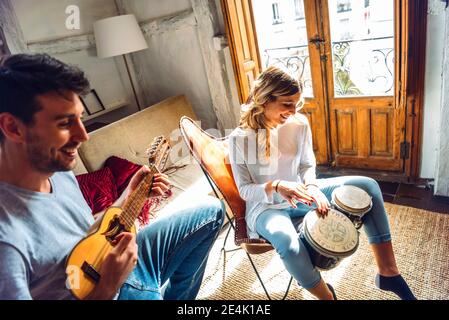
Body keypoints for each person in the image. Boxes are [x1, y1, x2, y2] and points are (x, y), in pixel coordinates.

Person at [0, 53, 224, 300]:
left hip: (117, 268)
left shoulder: (58, 171)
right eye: (65, 123)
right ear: (13, 127)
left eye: (80, 119)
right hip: (108, 290)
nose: (84, 136)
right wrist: (106, 288)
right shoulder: (7, 241)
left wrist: (127, 197)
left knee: (212, 211)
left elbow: (85, 232)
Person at [228, 66, 416, 300]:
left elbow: (307, 165)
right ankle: (327, 297)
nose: (293, 110)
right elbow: (245, 190)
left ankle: (389, 273)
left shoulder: (299, 123)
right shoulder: (239, 138)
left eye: (296, 103)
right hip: (266, 207)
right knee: (289, 245)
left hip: (302, 193)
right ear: (265, 99)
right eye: (287, 103)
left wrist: (313, 187)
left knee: (367, 186)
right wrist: (276, 186)